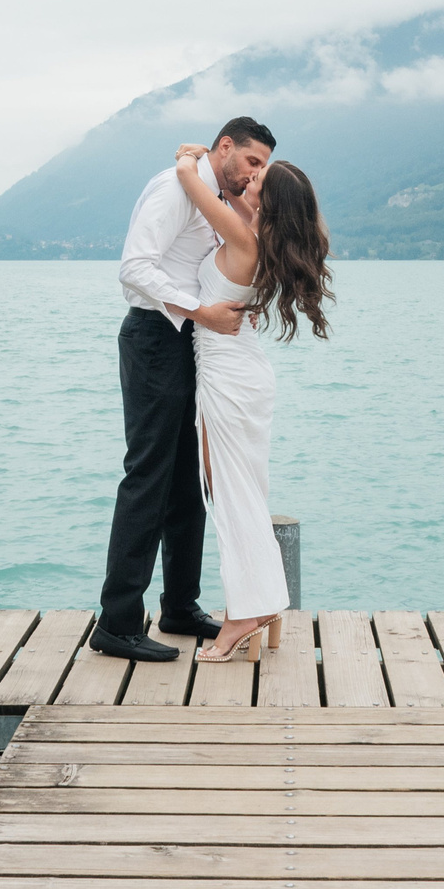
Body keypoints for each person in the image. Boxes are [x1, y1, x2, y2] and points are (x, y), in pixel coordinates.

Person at [94, 117, 275, 661]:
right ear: (226, 147)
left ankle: (179, 605)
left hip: (190, 339)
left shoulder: (213, 191)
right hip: (155, 336)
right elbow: (134, 268)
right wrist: (201, 310)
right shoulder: (175, 187)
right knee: (148, 475)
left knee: (186, 481)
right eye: (251, 162)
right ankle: (118, 622)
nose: (255, 174)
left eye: (263, 167)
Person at [171, 141, 333, 663]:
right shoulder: (259, 230)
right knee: (233, 488)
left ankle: (247, 611)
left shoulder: (245, 234)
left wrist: (186, 156)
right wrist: (245, 188)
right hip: (238, 372)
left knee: (232, 492)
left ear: (269, 200)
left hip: (230, 375)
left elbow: (195, 185)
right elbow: (231, 197)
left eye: (260, 176)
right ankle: (258, 600)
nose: (251, 178)